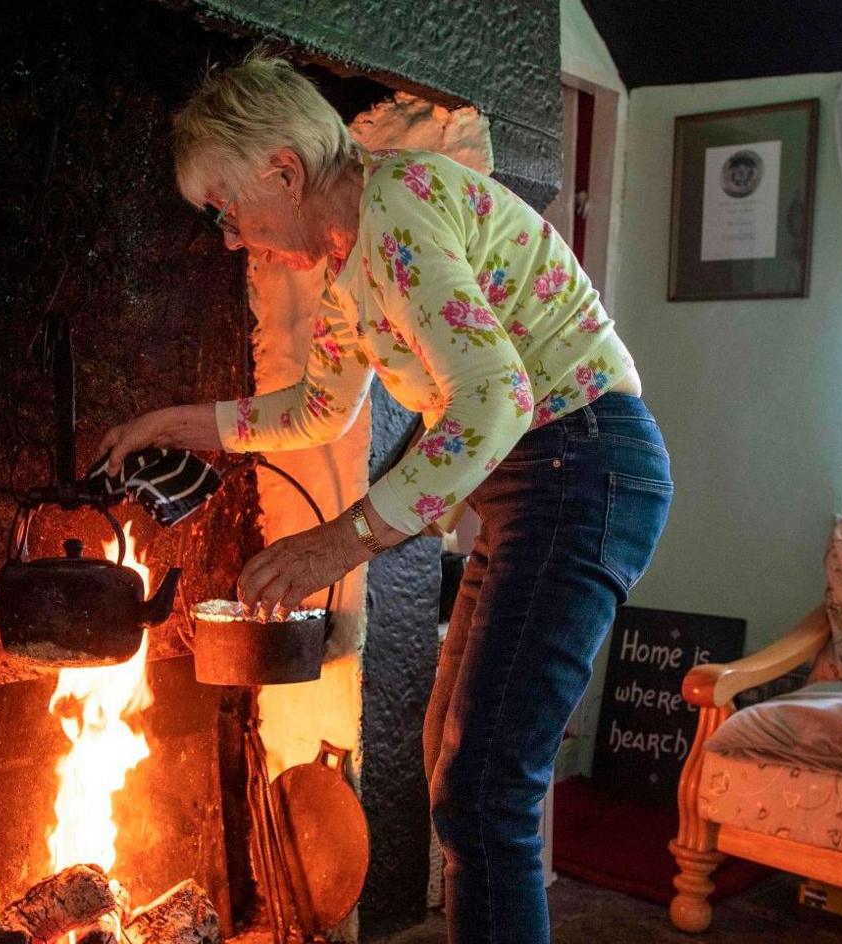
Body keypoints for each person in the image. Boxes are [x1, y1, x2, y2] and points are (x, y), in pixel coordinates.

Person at [97, 53, 674, 943]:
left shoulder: (399, 210)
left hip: (582, 469)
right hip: (541, 484)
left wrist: (339, 542)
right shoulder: (350, 263)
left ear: (282, 170)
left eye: (225, 209)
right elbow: (316, 410)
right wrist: (173, 422)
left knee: (484, 791)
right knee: (459, 770)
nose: (229, 236)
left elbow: (497, 397)